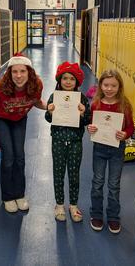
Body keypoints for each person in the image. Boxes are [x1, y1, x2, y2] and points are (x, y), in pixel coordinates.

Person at [0, 53, 46, 213]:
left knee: (19, 157)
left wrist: (50, 107)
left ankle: (19, 194)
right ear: (9, 73)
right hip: (1, 120)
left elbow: (36, 101)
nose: (19, 75)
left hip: (20, 119)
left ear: (29, 72)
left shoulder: (36, 85)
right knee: (8, 157)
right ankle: (7, 197)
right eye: (14, 71)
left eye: (23, 71)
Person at [87, 69, 134, 234]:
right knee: (97, 182)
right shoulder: (96, 104)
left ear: (119, 86)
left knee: (114, 185)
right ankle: (96, 214)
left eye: (113, 85)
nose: (109, 88)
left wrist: (125, 134)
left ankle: (113, 217)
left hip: (117, 149)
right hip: (99, 148)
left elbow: (130, 127)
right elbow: (91, 125)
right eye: (106, 85)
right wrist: (90, 128)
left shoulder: (124, 104)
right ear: (100, 85)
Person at [45, 62, 91, 222]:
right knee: (58, 173)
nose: (68, 82)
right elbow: (48, 118)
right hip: (57, 140)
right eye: (65, 78)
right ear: (59, 80)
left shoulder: (82, 99)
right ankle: (59, 204)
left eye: (72, 79)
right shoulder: (54, 97)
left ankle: (73, 205)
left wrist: (83, 113)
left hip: (75, 141)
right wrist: (49, 111)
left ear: (77, 81)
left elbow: (88, 120)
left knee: (74, 174)